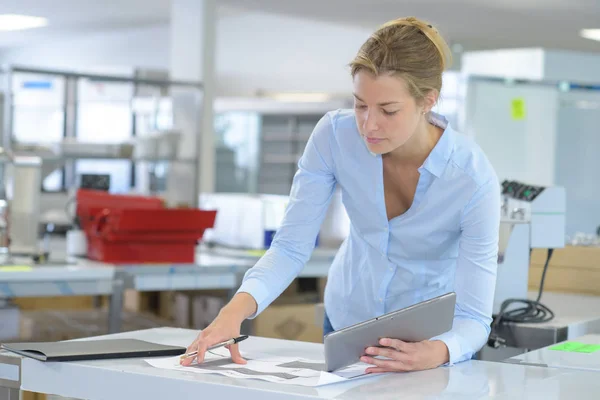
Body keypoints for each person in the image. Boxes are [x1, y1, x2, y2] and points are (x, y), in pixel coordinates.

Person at [182, 16, 500, 373]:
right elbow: (290, 246)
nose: (369, 125)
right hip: (347, 324)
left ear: (428, 101)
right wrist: (233, 312)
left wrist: (440, 351)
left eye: (388, 110)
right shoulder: (334, 137)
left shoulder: (472, 180)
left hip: (426, 343)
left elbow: (474, 317)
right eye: (360, 105)